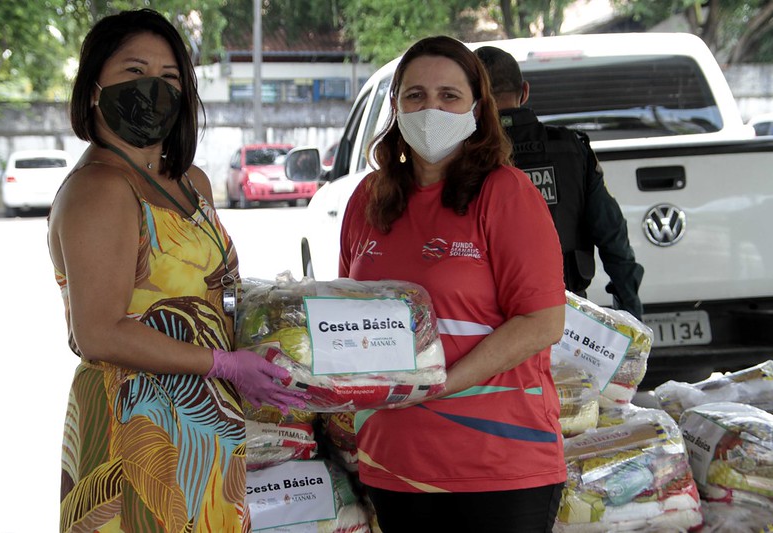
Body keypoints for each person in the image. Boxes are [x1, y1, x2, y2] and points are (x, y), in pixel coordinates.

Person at [48, 9, 307, 532]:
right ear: (94, 88)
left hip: (205, 423)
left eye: (170, 78)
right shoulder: (98, 190)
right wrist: (224, 365)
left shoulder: (190, 181)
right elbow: (97, 332)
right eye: (134, 72)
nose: (153, 90)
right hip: (140, 428)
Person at [339, 35, 568, 533]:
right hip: (395, 461)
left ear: (477, 108)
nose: (431, 108)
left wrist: (437, 386)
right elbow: (345, 316)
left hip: (498, 462)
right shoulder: (368, 199)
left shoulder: (506, 194)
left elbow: (542, 321)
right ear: (395, 107)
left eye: (449, 95)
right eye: (415, 96)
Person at [475, 46, 645, 320]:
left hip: (489, 326)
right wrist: (631, 317)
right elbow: (613, 236)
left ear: (475, 99)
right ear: (525, 91)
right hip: (569, 321)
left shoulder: (463, 158)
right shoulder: (572, 149)